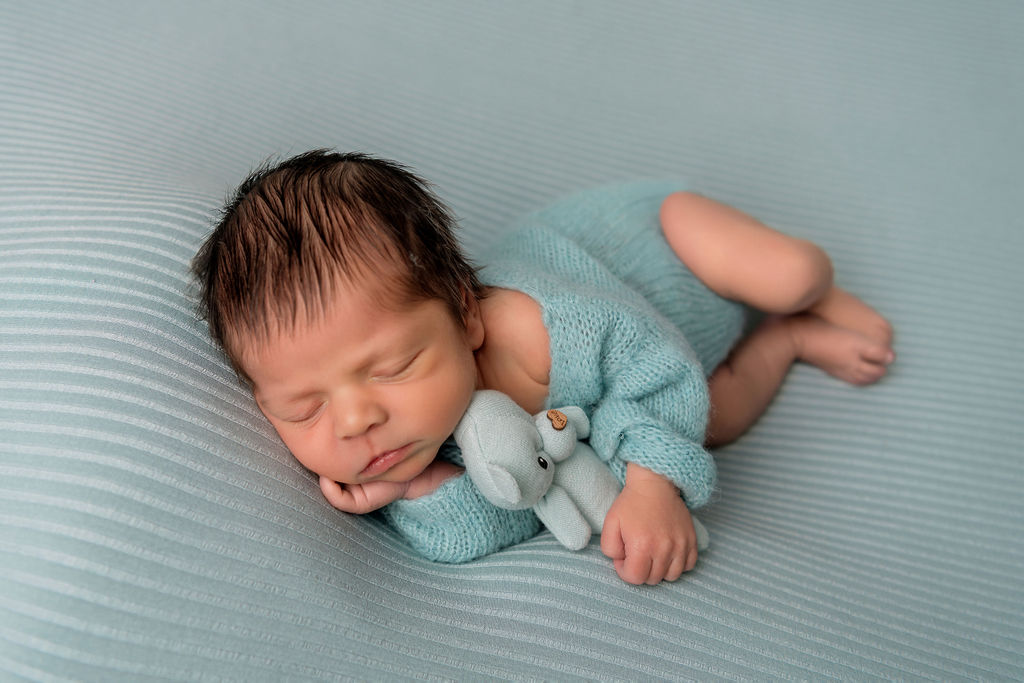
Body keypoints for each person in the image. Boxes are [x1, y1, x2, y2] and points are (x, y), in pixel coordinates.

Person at [192, 150, 894, 585]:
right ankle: (788, 343)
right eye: (302, 407)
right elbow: (502, 513)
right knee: (713, 420)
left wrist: (652, 490)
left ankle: (813, 299)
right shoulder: (408, 433)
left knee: (790, 274)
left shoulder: (547, 327)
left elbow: (658, 366)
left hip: (668, 245)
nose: (354, 421)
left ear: (467, 315)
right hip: (663, 378)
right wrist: (420, 488)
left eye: (394, 365)